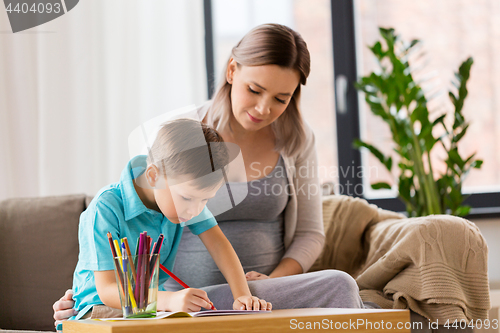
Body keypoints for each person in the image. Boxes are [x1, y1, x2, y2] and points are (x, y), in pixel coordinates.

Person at [54, 23, 364, 327]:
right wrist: (100, 299)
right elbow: (110, 288)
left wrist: (249, 292)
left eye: (281, 99)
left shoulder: (295, 140)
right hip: (179, 302)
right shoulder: (181, 142)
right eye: (254, 89)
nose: (263, 108)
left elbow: (225, 242)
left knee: (340, 287)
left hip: (244, 293)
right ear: (232, 71)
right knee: (341, 289)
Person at [68, 118, 271, 321]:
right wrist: (168, 300)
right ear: (153, 176)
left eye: (205, 200)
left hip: (152, 310)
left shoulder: (185, 197)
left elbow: (219, 244)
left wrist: (242, 295)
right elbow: (107, 290)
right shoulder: (105, 208)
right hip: (99, 310)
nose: (195, 210)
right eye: (187, 198)